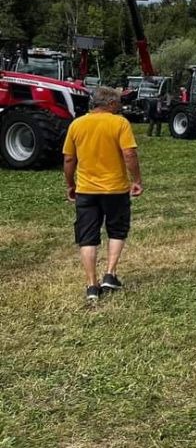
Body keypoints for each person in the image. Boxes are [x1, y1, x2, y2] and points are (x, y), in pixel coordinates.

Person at [62, 86, 143, 304]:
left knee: (87, 236)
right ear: (109, 103)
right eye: (117, 103)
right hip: (115, 189)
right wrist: (136, 180)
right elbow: (129, 153)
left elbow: (69, 159)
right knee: (117, 230)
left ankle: (91, 285)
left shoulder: (77, 125)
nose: (119, 107)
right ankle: (110, 273)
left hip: (86, 190)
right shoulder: (119, 123)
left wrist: (70, 184)